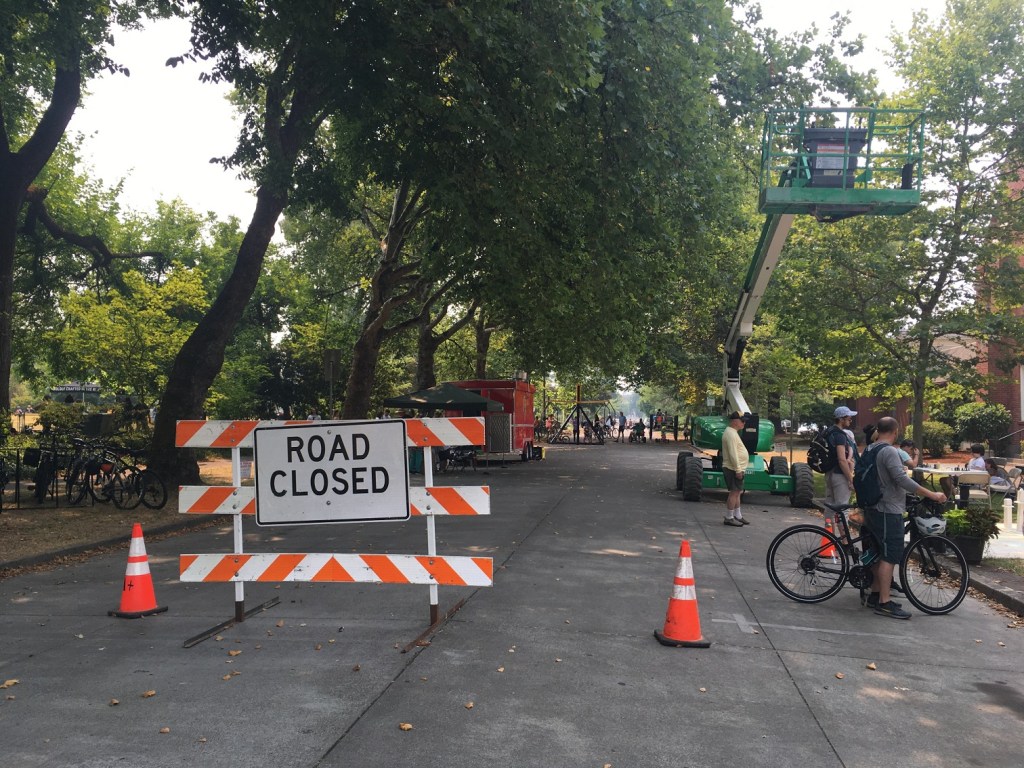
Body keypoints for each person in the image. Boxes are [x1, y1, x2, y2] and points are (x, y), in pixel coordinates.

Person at [860, 417, 947, 619]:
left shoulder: (871, 448)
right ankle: (884, 602)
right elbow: (901, 479)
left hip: (872, 506)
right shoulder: (889, 451)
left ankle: (875, 594)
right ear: (896, 431)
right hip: (887, 509)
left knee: (878, 552)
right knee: (890, 556)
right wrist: (932, 494)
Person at [824, 406, 858, 526]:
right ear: (841, 419)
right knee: (843, 509)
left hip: (829, 473)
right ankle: (844, 537)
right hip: (839, 475)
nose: (851, 420)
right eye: (849, 418)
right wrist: (850, 479)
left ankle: (828, 535)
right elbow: (842, 460)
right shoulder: (840, 435)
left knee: (829, 507)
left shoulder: (828, 432)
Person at [721, 411, 750, 527]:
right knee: (734, 493)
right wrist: (738, 469)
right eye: (742, 421)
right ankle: (729, 517)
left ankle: (737, 515)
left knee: (737, 492)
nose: (744, 423)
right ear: (734, 421)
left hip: (735, 468)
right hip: (733, 468)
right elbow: (733, 453)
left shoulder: (732, 432)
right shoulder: (731, 434)